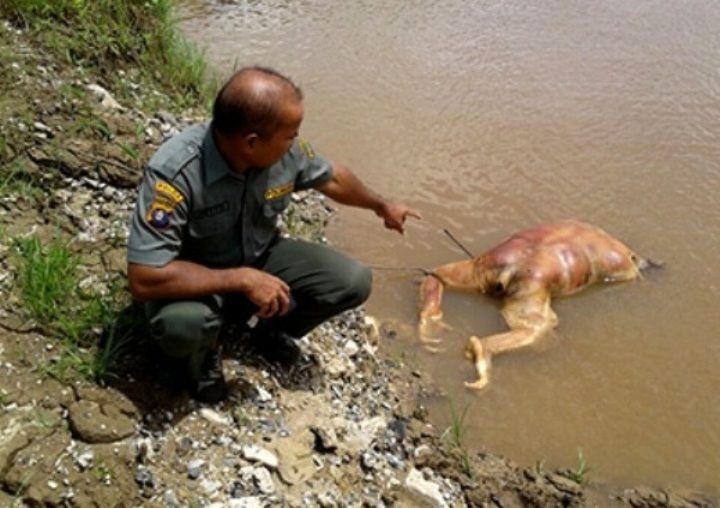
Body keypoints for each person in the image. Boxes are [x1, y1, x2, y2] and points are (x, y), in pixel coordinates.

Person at [126, 66, 421, 402]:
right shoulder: (175, 173)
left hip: (258, 256)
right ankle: (205, 352)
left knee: (351, 280)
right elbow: (144, 277)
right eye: (291, 135)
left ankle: (266, 330)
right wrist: (242, 280)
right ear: (251, 142)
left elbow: (332, 177)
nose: (295, 142)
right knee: (183, 325)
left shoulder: (283, 152)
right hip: (195, 282)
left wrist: (382, 205)